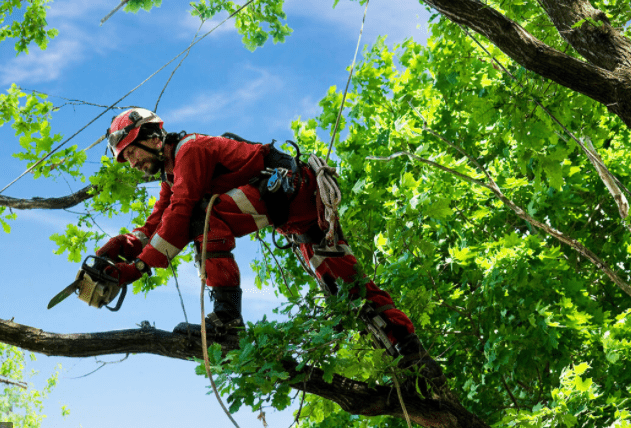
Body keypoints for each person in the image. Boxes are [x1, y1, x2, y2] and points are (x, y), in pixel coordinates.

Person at [98, 107, 442, 378]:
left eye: (131, 153)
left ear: (154, 138)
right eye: (126, 159)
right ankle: (414, 357)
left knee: (203, 215)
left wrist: (139, 267)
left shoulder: (191, 151)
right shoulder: (173, 174)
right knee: (348, 289)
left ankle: (227, 321)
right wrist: (123, 246)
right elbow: (158, 220)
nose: (132, 163)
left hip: (291, 193)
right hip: (298, 214)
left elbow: (179, 214)